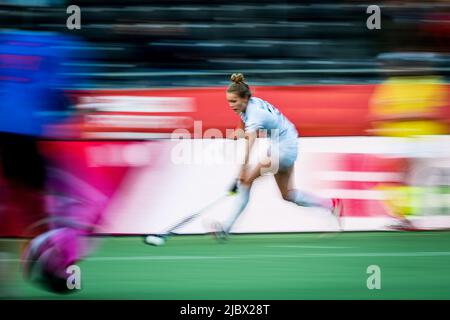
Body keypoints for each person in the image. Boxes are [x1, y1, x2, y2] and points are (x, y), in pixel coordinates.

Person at [214, 73, 342, 239]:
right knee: (288, 195)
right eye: (229, 101)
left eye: (234, 101)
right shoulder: (248, 105)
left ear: (244, 98)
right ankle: (331, 205)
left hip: (283, 148)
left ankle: (226, 228)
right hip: (287, 142)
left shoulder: (254, 113)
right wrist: (236, 134)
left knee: (246, 181)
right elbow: (242, 127)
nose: (231, 105)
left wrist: (242, 171)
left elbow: (250, 144)